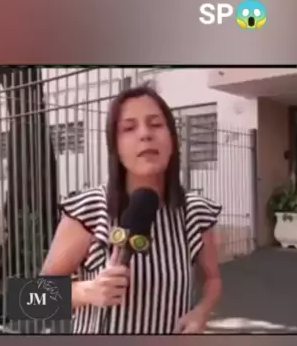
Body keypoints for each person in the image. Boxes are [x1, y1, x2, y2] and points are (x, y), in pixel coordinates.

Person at [41, 85, 222, 333]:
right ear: (115, 146)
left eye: (156, 124)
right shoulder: (90, 210)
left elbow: (213, 279)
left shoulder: (194, 213)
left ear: (172, 139)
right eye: (129, 128)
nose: (145, 134)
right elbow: (31, 301)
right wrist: (86, 291)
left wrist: (201, 312)